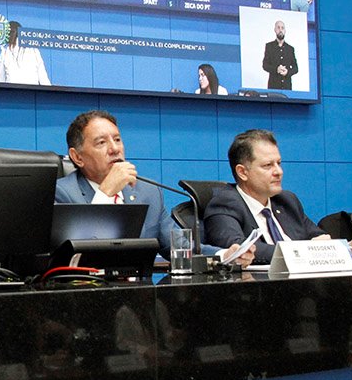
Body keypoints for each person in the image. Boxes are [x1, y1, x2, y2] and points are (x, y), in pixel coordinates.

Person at [55, 110, 253, 265]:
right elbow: (73, 258)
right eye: (101, 142)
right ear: (77, 157)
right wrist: (106, 192)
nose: (115, 148)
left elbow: (178, 247)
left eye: (117, 139)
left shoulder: (147, 193)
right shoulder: (62, 193)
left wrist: (224, 254)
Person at [203, 128, 341, 265]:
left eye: (279, 163)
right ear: (242, 172)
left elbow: (317, 236)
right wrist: (303, 252)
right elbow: (240, 249)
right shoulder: (225, 203)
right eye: (268, 165)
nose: (279, 172)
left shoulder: (287, 200)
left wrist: (341, 248)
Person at [0, 21, 50, 85]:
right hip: (32, 92)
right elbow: (44, 79)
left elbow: (0, 81)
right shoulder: (34, 50)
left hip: (13, 92)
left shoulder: (4, 52)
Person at [261, 20, 298, 90]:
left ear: (285, 30)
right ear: (275, 30)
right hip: (273, 86)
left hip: (287, 87)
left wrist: (287, 72)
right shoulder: (269, 46)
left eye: (282, 28)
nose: (280, 30)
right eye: (278, 28)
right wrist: (276, 69)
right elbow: (265, 65)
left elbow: (296, 68)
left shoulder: (290, 49)